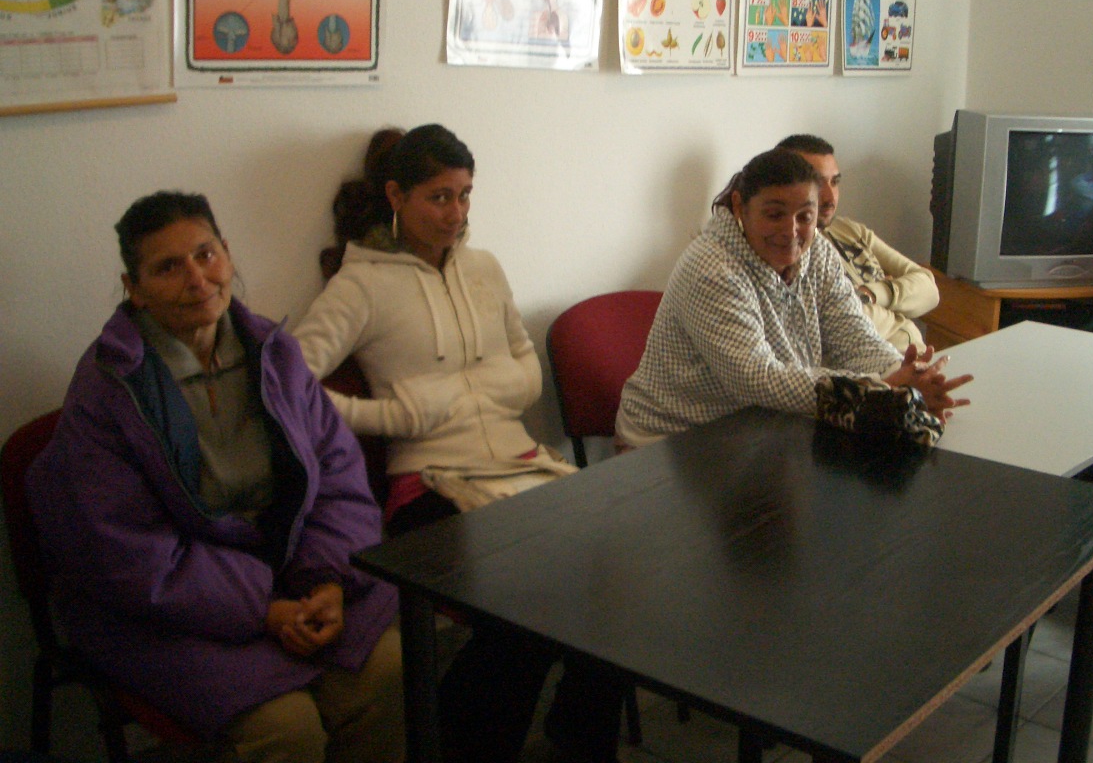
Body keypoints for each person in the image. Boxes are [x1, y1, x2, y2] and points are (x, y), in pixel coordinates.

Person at [26, 192, 403, 763]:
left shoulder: (274, 353)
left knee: (389, 672)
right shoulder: (108, 390)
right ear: (134, 288)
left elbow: (338, 477)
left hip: (297, 574)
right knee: (287, 728)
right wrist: (263, 609)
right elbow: (126, 551)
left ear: (226, 253)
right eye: (167, 267)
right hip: (168, 610)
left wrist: (328, 580)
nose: (197, 279)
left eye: (205, 255)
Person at [293, 124, 623, 763]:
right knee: (525, 609)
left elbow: (526, 367)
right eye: (439, 197)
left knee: (618, 572)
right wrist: (390, 415)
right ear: (396, 196)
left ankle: (579, 740)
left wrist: (490, 385)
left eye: (465, 194)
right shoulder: (360, 285)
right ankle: (458, 745)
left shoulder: (483, 268)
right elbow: (289, 383)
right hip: (429, 484)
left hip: (521, 465)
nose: (456, 213)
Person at [617, 148, 970, 447]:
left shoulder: (819, 252)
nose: (791, 231)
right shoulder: (711, 267)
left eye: (805, 216)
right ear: (740, 207)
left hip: (760, 430)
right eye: (774, 215)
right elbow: (756, 378)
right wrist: (880, 391)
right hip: (673, 441)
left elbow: (854, 336)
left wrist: (907, 375)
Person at [776, 134, 939, 352]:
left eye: (835, 182)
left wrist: (871, 294)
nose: (830, 198)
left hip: (921, 356)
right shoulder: (786, 253)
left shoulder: (848, 230)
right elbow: (839, 325)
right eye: (817, 183)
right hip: (878, 367)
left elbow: (929, 289)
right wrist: (897, 307)